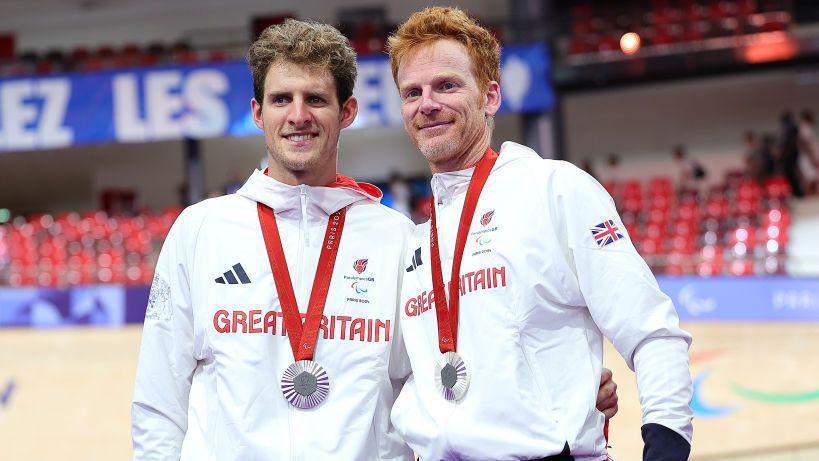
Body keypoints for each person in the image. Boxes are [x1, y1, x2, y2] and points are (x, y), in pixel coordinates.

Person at [131, 18, 619, 460]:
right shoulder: (200, 231)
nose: (298, 115)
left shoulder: (399, 240)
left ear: (347, 112)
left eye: (316, 100)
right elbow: (159, 400)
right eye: (282, 99)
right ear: (258, 113)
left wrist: (566, 382)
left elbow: (452, 362)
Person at [387, 7, 693, 461]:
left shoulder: (555, 189)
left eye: (447, 86)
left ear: (491, 96)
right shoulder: (414, 241)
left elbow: (651, 331)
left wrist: (666, 445)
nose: (427, 104)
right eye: (413, 92)